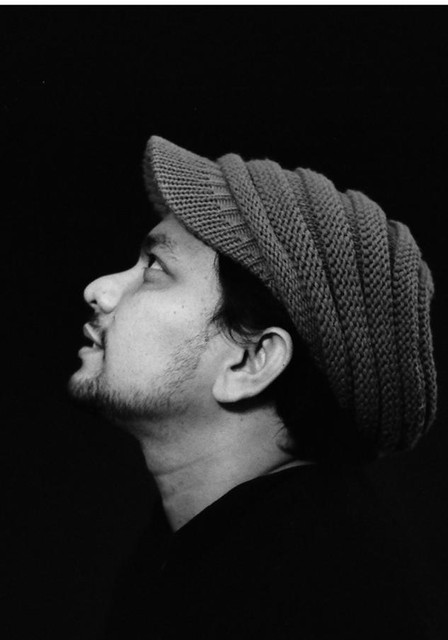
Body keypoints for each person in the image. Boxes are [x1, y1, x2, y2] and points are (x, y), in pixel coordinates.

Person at [68, 136, 440, 639]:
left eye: (156, 268)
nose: (99, 289)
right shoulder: (201, 549)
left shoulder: (316, 593)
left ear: (250, 361)